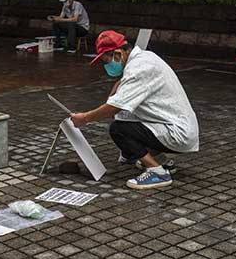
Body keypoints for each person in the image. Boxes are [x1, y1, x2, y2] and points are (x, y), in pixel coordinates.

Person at [69, 31, 199, 189]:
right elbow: (121, 93)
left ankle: (157, 172)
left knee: (119, 129)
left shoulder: (139, 69)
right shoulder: (144, 58)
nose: (106, 66)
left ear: (118, 54)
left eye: (106, 60)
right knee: (124, 117)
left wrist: (85, 118)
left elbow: (113, 108)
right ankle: (163, 161)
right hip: (178, 125)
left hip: (177, 133)